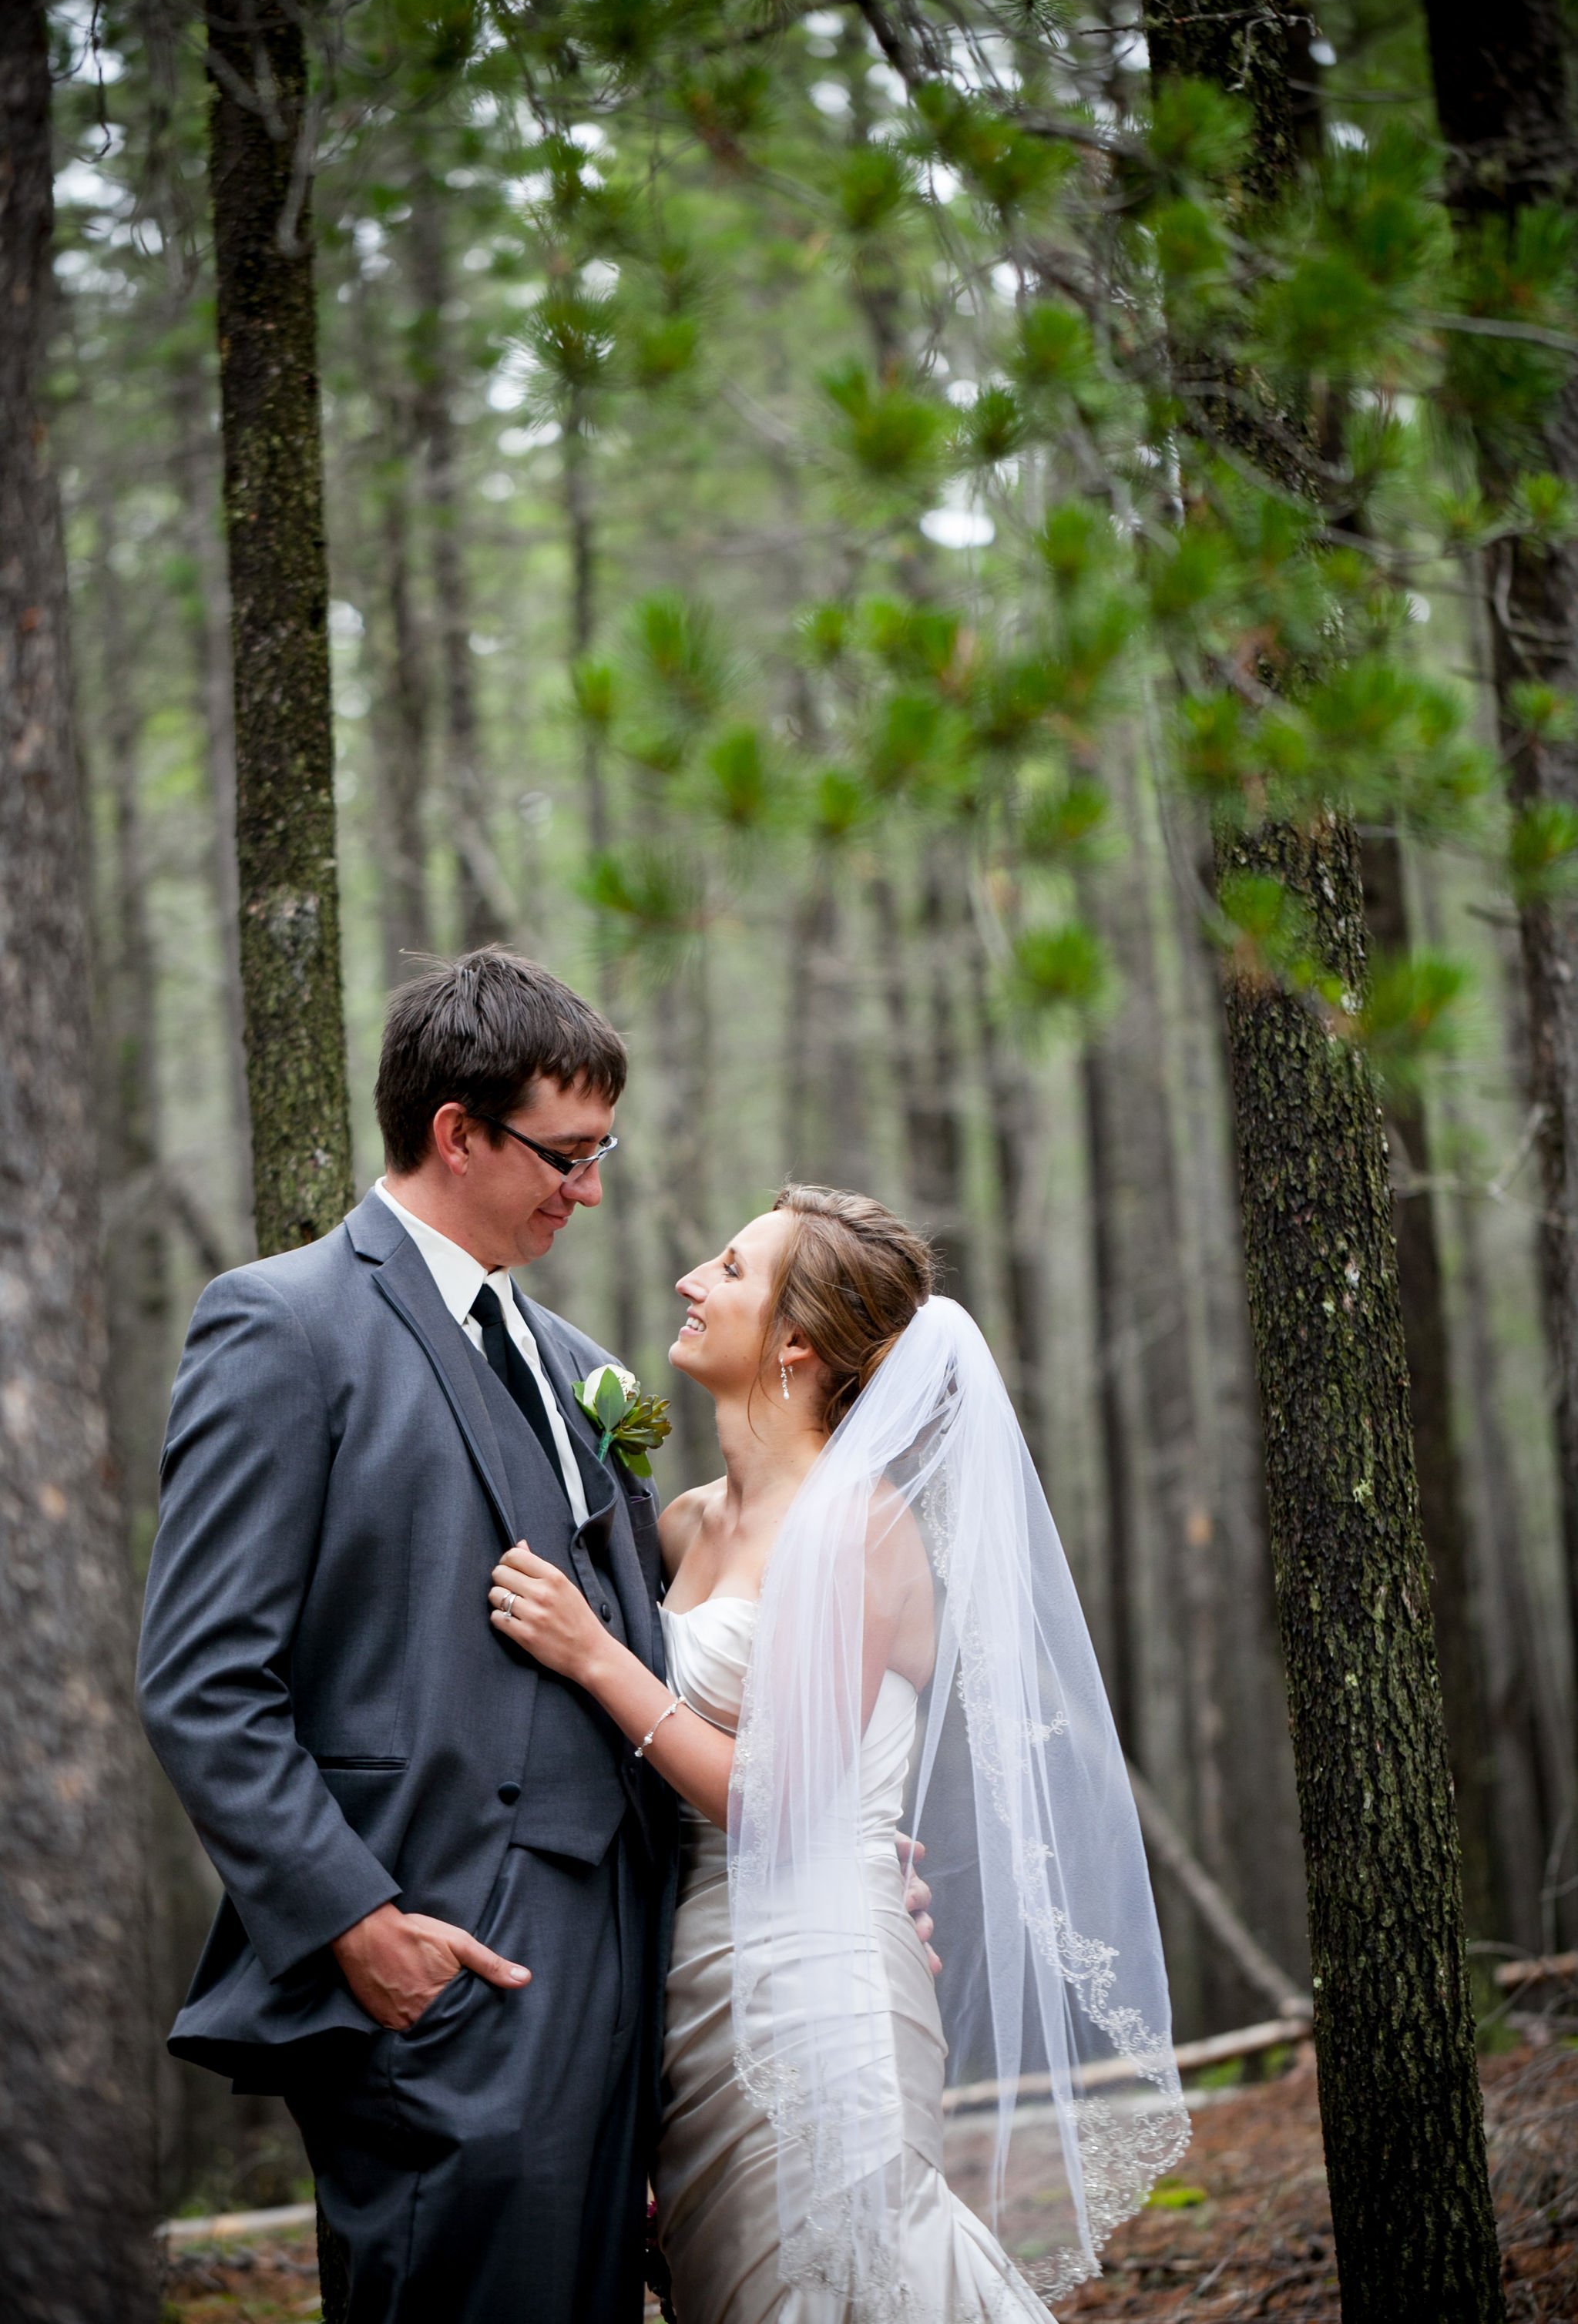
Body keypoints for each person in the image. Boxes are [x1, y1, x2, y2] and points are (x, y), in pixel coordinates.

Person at [489, 1185, 1189, 2322]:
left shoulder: (858, 1522)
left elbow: (778, 1803)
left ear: (796, 1342)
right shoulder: (680, 1525)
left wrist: (594, 1655)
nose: (689, 1282)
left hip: (821, 1981)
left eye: (727, 1269)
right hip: (688, 1971)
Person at [138, 951, 672, 2323]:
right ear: (456, 1133)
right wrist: (355, 1923)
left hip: (623, 1958)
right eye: (564, 1154)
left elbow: (656, 1631)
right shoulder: (283, 1324)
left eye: (602, 1151)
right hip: (434, 1952)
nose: (590, 1189)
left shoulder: (575, 1366)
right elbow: (203, 1682)